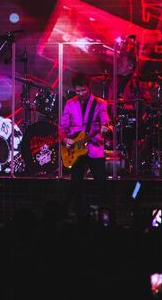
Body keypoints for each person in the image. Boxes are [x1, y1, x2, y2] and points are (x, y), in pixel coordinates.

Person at [59, 73, 112, 216]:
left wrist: (106, 129)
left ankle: (106, 215)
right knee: (75, 184)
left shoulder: (100, 103)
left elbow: (106, 123)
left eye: (83, 90)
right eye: (78, 91)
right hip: (75, 149)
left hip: (94, 148)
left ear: (89, 88)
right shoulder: (70, 103)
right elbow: (62, 128)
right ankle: (74, 214)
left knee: (101, 182)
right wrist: (65, 140)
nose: (81, 93)